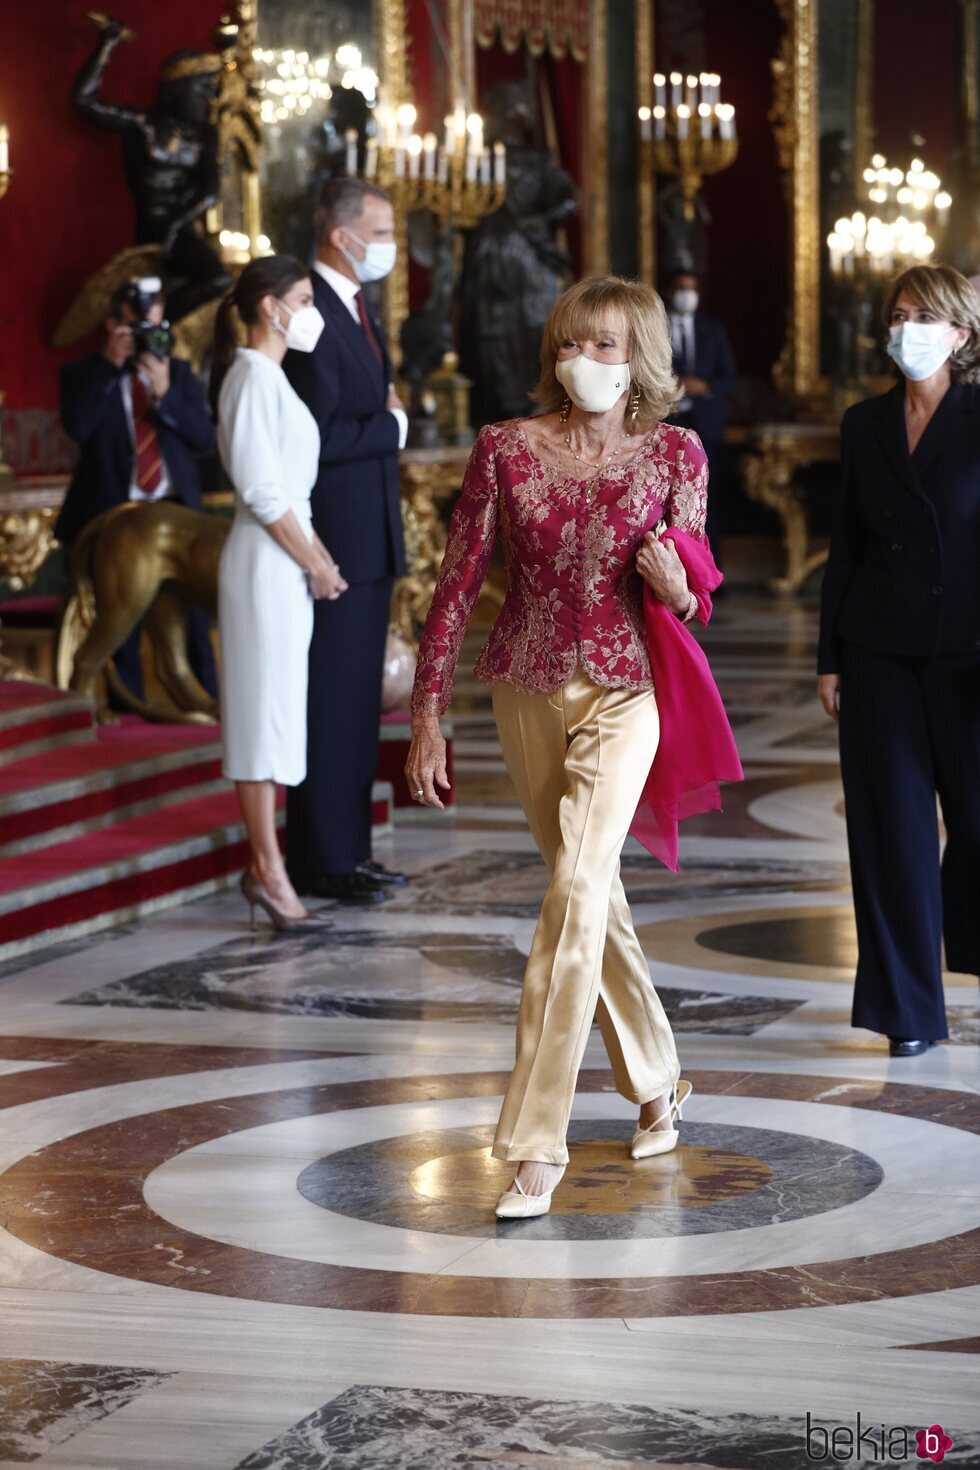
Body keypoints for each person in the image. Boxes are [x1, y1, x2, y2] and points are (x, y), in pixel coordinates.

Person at [406, 275, 718, 1220]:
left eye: (607, 346)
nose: (583, 360)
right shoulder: (504, 447)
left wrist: (676, 589)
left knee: (577, 889)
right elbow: (458, 583)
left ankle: (535, 1139)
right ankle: (660, 1077)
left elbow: (695, 593)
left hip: (630, 690)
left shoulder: (677, 454)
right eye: (571, 343)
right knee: (590, 893)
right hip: (524, 687)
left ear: (641, 360)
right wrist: (428, 711)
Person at [817, 262, 980, 1057]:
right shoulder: (864, 424)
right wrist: (829, 659)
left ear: (961, 333)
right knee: (893, 835)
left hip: (971, 656)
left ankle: (964, 944)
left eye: (924, 316)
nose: (905, 328)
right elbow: (843, 549)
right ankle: (908, 1012)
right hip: (879, 653)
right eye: (899, 313)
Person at [210, 255, 347, 931]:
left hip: (284, 560)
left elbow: (290, 493)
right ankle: (268, 868)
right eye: (301, 297)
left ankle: (267, 863)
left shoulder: (273, 378)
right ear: (271, 307)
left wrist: (319, 558)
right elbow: (263, 493)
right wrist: (312, 562)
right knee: (260, 718)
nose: (309, 312)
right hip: (264, 564)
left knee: (279, 715)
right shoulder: (249, 378)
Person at [282, 178, 409, 906]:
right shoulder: (311, 314)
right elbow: (314, 436)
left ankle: (350, 852)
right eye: (381, 229)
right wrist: (389, 429)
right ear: (341, 234)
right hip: (334, 538)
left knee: (359, 702)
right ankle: (323, 857)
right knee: (331, 700)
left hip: (370, 537)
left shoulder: (356, 307)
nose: (389, 244)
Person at [57, 278, 218, 701]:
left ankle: (207, 708)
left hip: (175, 513)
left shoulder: (178, 374)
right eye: (136, 329)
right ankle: (126, 715)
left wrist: (164, 393)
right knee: (119, 620)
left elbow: (204, 441)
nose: (148, 338)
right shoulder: (83, 373)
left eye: (155, 328)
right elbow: (79, 426)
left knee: (194, 621)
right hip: (114, 515)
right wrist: (111, 367)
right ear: (112, 326)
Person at [664, 269, 736, 556]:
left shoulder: (712, 329)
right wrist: (674, 385)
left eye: (691, 288)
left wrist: (703, 386)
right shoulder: (657, 329)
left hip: (705, 424)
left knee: (707, 499)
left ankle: (710, 571)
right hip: (667, 421)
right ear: (670, 292)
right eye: (681, 287)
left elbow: (729, 377)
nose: (686, 294)